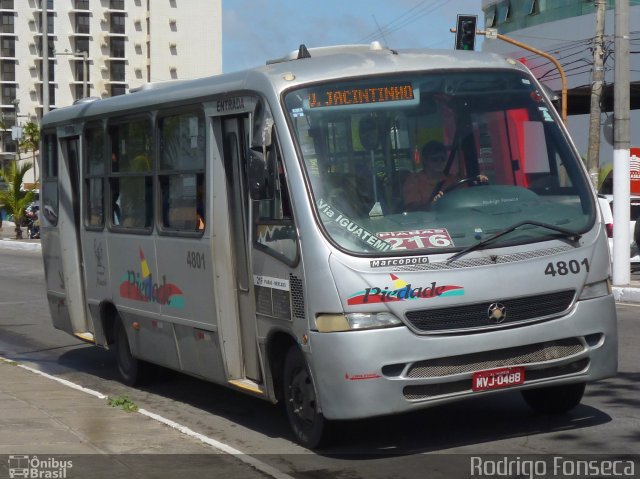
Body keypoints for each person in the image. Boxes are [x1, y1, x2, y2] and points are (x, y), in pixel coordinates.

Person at [403, 140, 488, 211]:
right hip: (427, 225)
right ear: (425, 160)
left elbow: (469, 198)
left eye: (443, 159)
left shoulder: (453, 180)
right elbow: (413, 210)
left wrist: (479, 182)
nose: (440, 163)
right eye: (435, 159)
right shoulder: (414, 181)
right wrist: (433, 204)